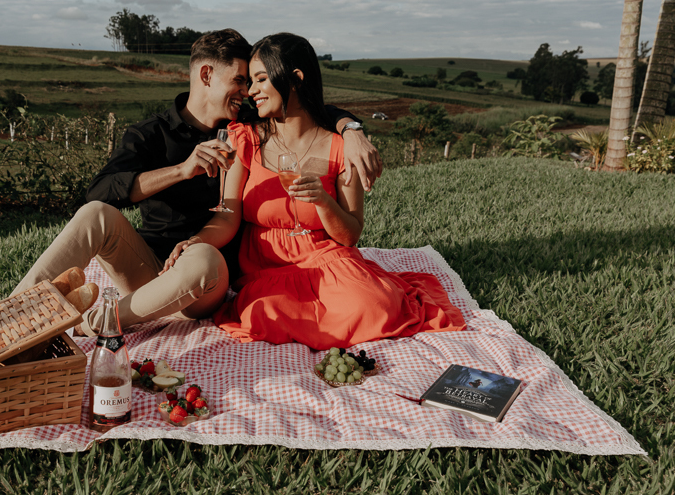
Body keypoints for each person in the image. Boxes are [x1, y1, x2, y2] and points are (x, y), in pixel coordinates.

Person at [13, 29, 382, 335]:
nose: (247, 92)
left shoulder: (243, 126)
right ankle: (10, 317)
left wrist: (351, 128)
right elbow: (100, 192)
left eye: (252, 82)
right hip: (148, 270)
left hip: (205, 278)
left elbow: (300, 106)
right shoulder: (150, 134)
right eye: (239, 80)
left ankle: (92, 323)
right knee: (95, 213)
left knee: (203, 258)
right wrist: (181, 170)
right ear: (206, 75)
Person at [162, 32, 466, 350]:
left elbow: (350, 235)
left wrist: (323, 201)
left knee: (375, 306)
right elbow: (227, 217)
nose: (251, 92)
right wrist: (196, 241)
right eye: (250, 82)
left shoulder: (341, 148)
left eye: (261, 79)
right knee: (264, 314)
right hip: (267, 269)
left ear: (296, 79)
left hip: (328, 260)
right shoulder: (246, 139)